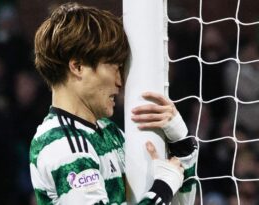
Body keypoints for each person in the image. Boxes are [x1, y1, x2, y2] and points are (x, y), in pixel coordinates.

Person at [29, 3, 197, 205]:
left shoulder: (110, 132)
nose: (120, 81)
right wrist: (163, 188)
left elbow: (181, 203)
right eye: (115, 68)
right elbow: (163, 194)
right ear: (78, 67)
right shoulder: (60, 143)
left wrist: (181, 143)